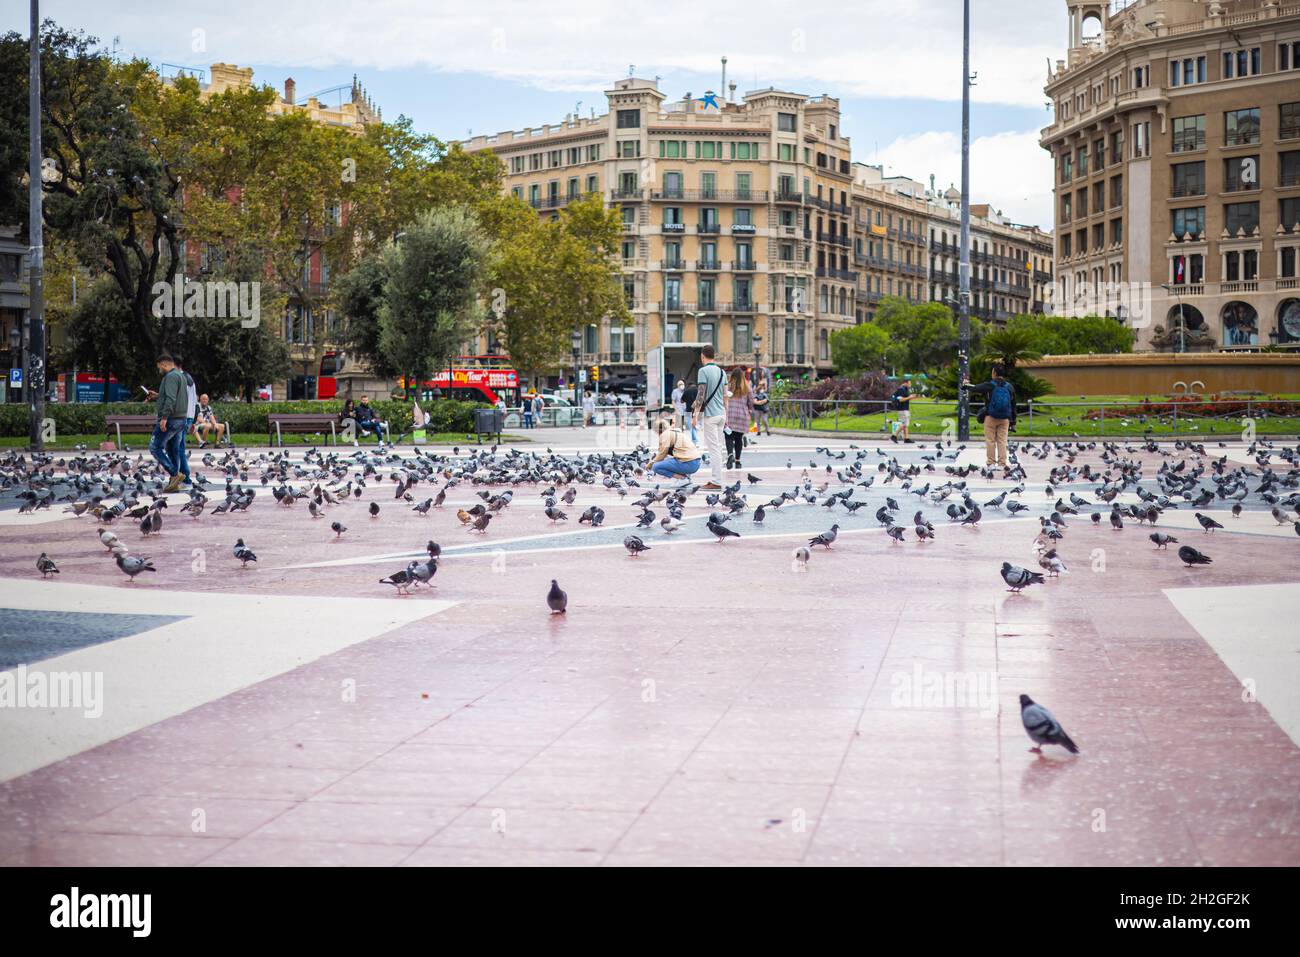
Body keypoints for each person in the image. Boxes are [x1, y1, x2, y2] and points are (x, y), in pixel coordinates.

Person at [963, 366, 1016, 473]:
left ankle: (991, 463)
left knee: (990, 440)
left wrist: (965, 384)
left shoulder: (990, 385)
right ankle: (1002, 463)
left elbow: (975, 388)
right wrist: (1013, 421)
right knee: (1002, 441)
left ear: (994, 373)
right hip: (1005, 418)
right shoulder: (1009, 387)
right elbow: (1013, 405)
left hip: (991, 417)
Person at [148, 354, 188, 494]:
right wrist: (158, 396)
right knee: (172, 450)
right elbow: (173, 396)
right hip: (181, 420)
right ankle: (174, 483)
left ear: (164, 364)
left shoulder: (170, 377)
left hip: (171, 419)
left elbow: (171, 398)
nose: (159, 370)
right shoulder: (180, 376)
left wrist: (164, 418)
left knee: (155, 447)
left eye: (159, 367)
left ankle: (174, 474)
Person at [691, 344, 728, 490]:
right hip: (721, 415)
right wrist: (727, 414)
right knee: (718, 448)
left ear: (702, 356)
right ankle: (717, 479)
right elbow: (725, 396)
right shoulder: (722, 372)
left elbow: (701, 395)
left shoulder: (703, 371)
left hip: (711, 416)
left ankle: (716, 481)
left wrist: (695, 416)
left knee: (713, 449)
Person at [723, 367, 754, 470]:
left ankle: (730, 454)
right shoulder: (747, 387)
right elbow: (751, 402)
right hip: (742, 416)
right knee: (738, 439)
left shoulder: (728, 386)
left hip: (730, 415)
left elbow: (723, 399)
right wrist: (749, 410)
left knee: (729, 437)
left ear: (732, 376)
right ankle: (738, 461)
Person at [891, 375, 915, 443]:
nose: (910, 385)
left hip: (904, 409)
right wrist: (909, 397)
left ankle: (906, 438)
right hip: (903, 409)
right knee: (905, 424)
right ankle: (894, 436)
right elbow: (901, 400)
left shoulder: (904, 389)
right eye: (909, 383)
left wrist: (910, 397)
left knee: (905, 424)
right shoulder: (901, 390)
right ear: (906, 383)